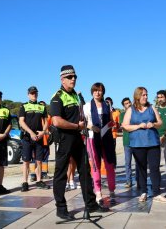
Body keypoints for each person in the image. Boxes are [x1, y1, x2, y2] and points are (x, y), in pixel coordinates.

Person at [51, 65, 108, 220]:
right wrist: (76, 126)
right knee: (61, 173)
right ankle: (61, 209)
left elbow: (80, 114)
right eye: (70, 77)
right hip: (64, 138)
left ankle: (91, 203)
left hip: (77, 137)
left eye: (75, 77)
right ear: (62, 79)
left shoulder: (76, 95)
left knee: (85, 170)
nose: (73, 79)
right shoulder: (57, 97)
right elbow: (56, 121)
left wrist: (82, 122)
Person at [122, 87, 166, 204]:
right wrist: (139, 126)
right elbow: (125, 126)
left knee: (154, 168)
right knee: (141, 168)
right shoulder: (131, 110)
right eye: (143, 95)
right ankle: (143, 192)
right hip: (137, 144)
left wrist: (153, 124)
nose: (146, 97)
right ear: (137, 96)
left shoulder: (151, 107)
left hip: (153, 143)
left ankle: (157, 193)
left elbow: (160, 123)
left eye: (146, 95)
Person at [84, 82, 116, 203]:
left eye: (100, 90)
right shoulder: (87, 106)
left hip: (106, 138)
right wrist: (91, 127)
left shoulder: (107, 105)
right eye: (95, 90)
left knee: (109, 165)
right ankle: (97, 191)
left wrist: (111, 124)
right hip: (93, 138)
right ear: (92, 92)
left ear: (103, 92)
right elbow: (83, 122)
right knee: (95, 166)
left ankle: (112, 189)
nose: (98, 92)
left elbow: (111, 120)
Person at [19, 86, 50, 191]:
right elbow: (21, 121)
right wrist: (31, 132)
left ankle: (39, 181)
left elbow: (46, 121)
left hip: (39, 137)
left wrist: (43, 132)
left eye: (35, 93)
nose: (34, 95)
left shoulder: (42, 107)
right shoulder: (24, 106)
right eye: (32, 93)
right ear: (28, 95)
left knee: (39, 160)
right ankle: (25, 182)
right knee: (26, 161)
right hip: (27, 137)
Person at [119, 97, 139, 188]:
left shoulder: (137, 112)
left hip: (137, 141)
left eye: (129, 102)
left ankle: (139, 181)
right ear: (124, 106)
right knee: (128, 163)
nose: (129, 104)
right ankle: (128, 181)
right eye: (126, 103)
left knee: (138, 162)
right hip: (127, 142)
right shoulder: (122, 115)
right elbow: (123, 126)